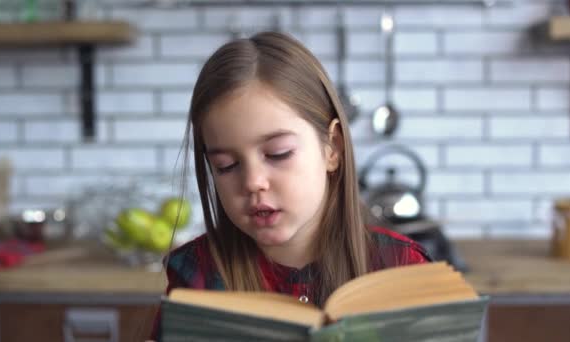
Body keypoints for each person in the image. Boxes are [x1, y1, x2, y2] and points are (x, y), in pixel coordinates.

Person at [149, 31, 430, 341]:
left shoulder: (401, 267)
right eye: (226, 166)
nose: (253, 182)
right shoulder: (196, 276)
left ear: (332, 149)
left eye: (278, 153)